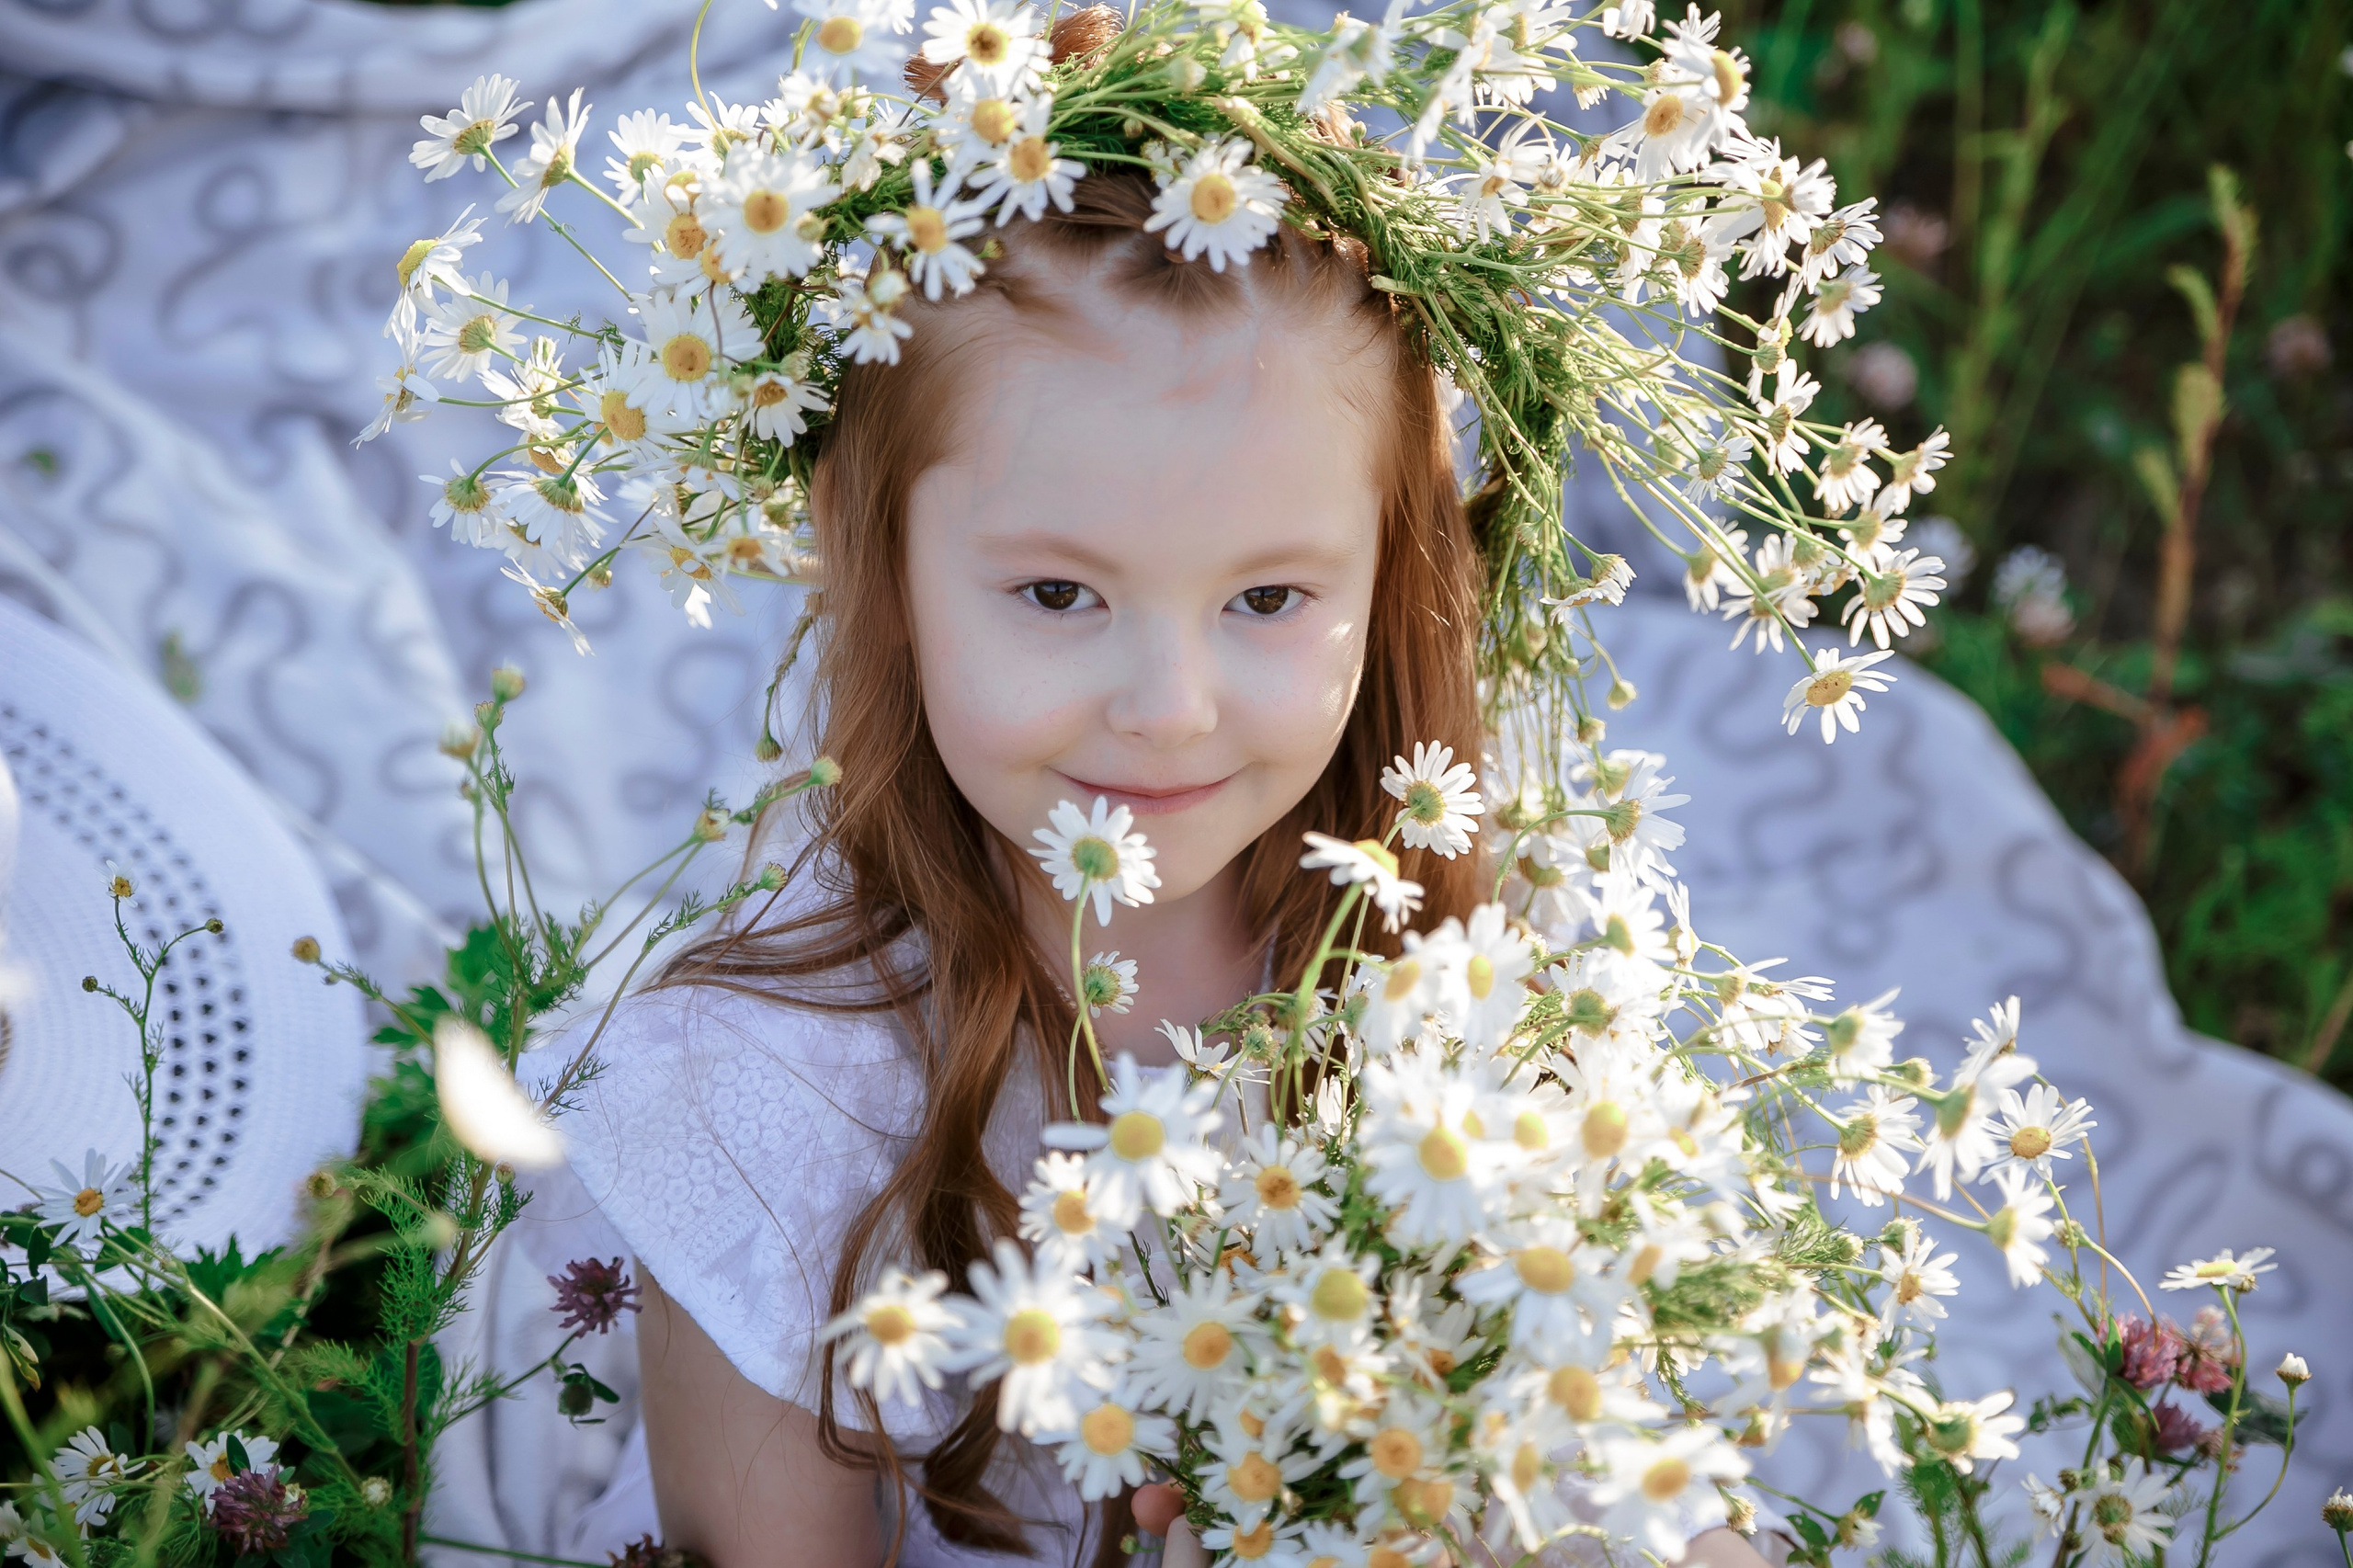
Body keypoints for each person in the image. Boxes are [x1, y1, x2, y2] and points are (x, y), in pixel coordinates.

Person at [551, 166, 1774, 1568]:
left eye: (1267, 598)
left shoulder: (1471, 977)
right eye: (1060, 594)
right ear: (868, 546)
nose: (1170, 706)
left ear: (1392, 577)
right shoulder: (759, 1091)